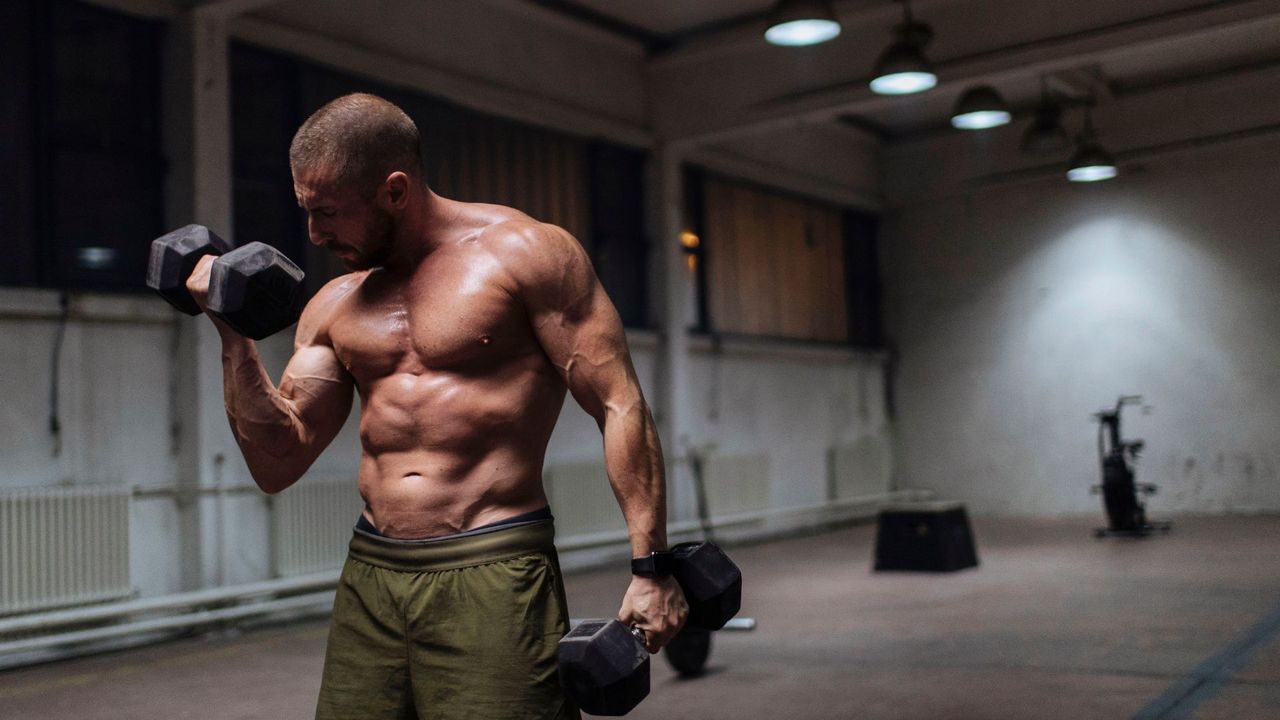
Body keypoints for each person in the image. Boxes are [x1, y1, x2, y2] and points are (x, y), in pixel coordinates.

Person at [184, 92, 687, 719]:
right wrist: (232, 334)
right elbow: (277, 459)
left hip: (492, 565)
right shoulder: (337, 302)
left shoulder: (526, 255)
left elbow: (619, 404)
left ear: (395, 190)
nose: (314, 234)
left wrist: (651, 567)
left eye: (330, 212)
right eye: (307, 212)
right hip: (372, 574)